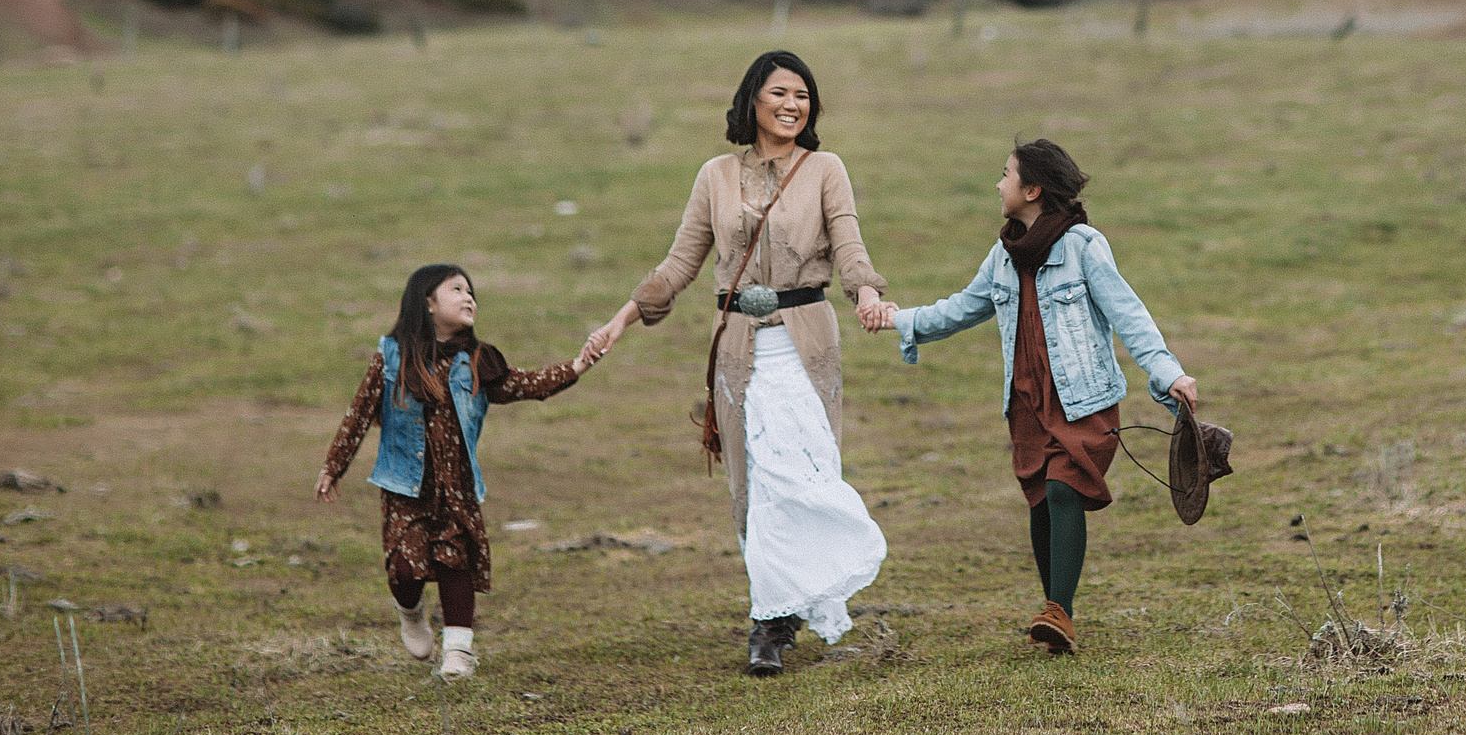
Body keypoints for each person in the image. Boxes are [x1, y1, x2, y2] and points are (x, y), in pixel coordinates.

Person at [586, 49, 892, 676]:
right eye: (780, 92)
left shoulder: (826, 168)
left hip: (807, 344)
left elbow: (850, 243)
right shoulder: (715, 176)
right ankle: (770, 620)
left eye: (803, 95)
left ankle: (798, 597)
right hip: (739, 351)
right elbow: (679, 264)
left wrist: (867, 291)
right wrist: (620, 320)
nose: (792, 105)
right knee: (754, 484)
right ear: (752, 99)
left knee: (803, 474)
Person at [872, 139, 1195, 655]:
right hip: (1026, 404)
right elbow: (961, 308)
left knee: (1066, 489)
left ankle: (1058, 610)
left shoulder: (1085, 247)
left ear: (1032, 189)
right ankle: (1054, 611)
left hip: (1083, 399)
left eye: (1005, 175)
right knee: (1042, 501)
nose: (997, 185)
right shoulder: (1002, 256)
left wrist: (1167, 372)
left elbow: (1129, 314)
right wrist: (900, 319)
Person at [319, 263, 595, 679]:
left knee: (455, 562)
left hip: (458, 488)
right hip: (404, 487)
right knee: (406, 569)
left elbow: (528, 385)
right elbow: (359, 412)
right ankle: (410, 611)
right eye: (457, 290)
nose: (470, 298)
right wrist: (334, 466)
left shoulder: (478, 361)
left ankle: (458, 652)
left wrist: (577, 365)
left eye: (472, 293)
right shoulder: (392, 356)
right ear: (427, 303)